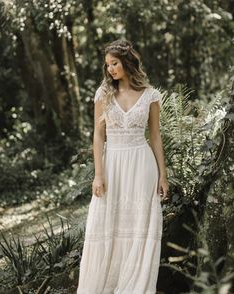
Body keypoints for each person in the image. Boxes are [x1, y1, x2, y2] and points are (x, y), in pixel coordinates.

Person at [77, 39, 169, 294]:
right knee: (108, 224)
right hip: (113, 164)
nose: (110, 70)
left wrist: (163, 175)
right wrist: (98, 174)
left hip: (142, 165)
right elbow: (97, 136)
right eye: (107, 65)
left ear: (127, 62)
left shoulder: (150, 94)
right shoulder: (103, 95)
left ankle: (136, 287)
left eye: (114, 63)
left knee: (139, 226)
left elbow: (155, 136)